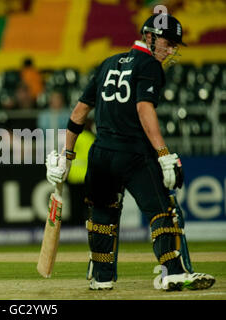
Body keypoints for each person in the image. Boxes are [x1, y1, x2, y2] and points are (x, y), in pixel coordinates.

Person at [46, 13, 215, 291]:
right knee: (163, 210)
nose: (170, 50)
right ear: (149, 36)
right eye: (167, 42)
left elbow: (78, 114)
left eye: (174, 45)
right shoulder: (149, 65)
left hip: (101, 155)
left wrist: (66, 157)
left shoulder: (107, 63)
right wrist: (163, 153)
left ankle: (101, 278)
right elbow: (143, 108)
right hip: (134, 153)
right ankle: (171, 270)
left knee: (102, 218)